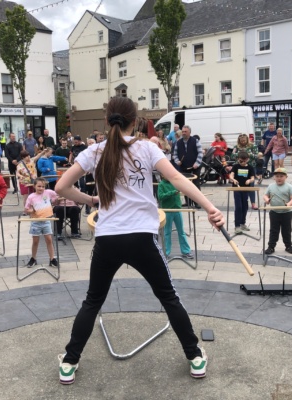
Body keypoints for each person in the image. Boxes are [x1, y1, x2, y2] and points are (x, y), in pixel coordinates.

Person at [55, 96, 224, 385]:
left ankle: (69, 362)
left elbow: (61, 187)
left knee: (92, 301)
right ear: (135, 121)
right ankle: (195, 357)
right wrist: (210, 207)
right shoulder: (146, 147)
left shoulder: (93, 151)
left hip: (108, 239)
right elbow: (178, 179)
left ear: (108, 120)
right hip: (142, 238)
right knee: (168, 297)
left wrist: (91, 200)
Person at [158, 173, 193, 259]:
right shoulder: (161, 184)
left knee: (181, 231)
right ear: (162, 175)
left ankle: (186, 251)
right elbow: (160, 196)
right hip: (167, 211)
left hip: (177, 209)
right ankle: (166, 252)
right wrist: (172, 193)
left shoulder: (174, 182)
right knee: (167, 232)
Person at [24, 177, 58, 267]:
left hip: (46, 220)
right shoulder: (31, 197)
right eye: (39, 186)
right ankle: (33, 258)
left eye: (43, 186)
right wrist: (33, 210)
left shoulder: (48, 193)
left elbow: (56, 196)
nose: (41, 188)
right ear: (34, 186)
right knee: (35, 241)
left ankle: (52, 258)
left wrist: (55, 202)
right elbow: (26, 209)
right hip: (36, 221)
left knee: (49, 239)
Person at [263, 168, 292, 255]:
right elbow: (266, 195)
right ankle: (271, 247)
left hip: (286, 213)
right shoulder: (271, 186)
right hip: (274, 212)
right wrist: (267, 200)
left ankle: (288, 246)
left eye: (281, 176)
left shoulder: (289, 187)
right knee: (274, 230)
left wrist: (289, 204)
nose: (279, 178)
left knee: (287, 230)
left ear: (286, 177)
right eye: (277, 176)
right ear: (274, 177)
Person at [172, 125, 203, 209]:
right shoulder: (178, 142)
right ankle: (188, 202)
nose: (184, 133)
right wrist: (177, 161)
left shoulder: (195, 141)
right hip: (184, 167)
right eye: (183, 132)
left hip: (195, 167)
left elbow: (200, 153)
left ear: (189, 132)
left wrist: (197, 163)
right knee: (185, 185)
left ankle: (197, 202)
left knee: (196, 184)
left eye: (185, 132)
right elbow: (174, 155)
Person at [229, 151, 256, 234]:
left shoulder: (250, 167)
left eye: (245, 161)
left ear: (247, 160)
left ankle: (242, 223)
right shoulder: (236, 166)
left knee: (245, 207)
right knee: (239, 206)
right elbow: (231, 175)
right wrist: (233, 179)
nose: (243, 163)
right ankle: (237, 225)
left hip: (245, 189)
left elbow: (253, 177)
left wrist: (249, 180)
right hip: (237, 189)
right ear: (238, 160)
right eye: (241, 161)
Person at [231, 134, 259, 209]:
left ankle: (253, 203)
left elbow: (257, 156)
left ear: (247, 140)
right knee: (240, 184)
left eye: (244, 140)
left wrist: (249, 154)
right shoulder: (236, 147)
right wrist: (240, 154)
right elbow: (232, 156)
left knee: (251, 185)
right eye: (241, 141)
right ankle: (240, 202)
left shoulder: (253, 146)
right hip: (239, 168)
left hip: (250, 167)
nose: (243, 142)